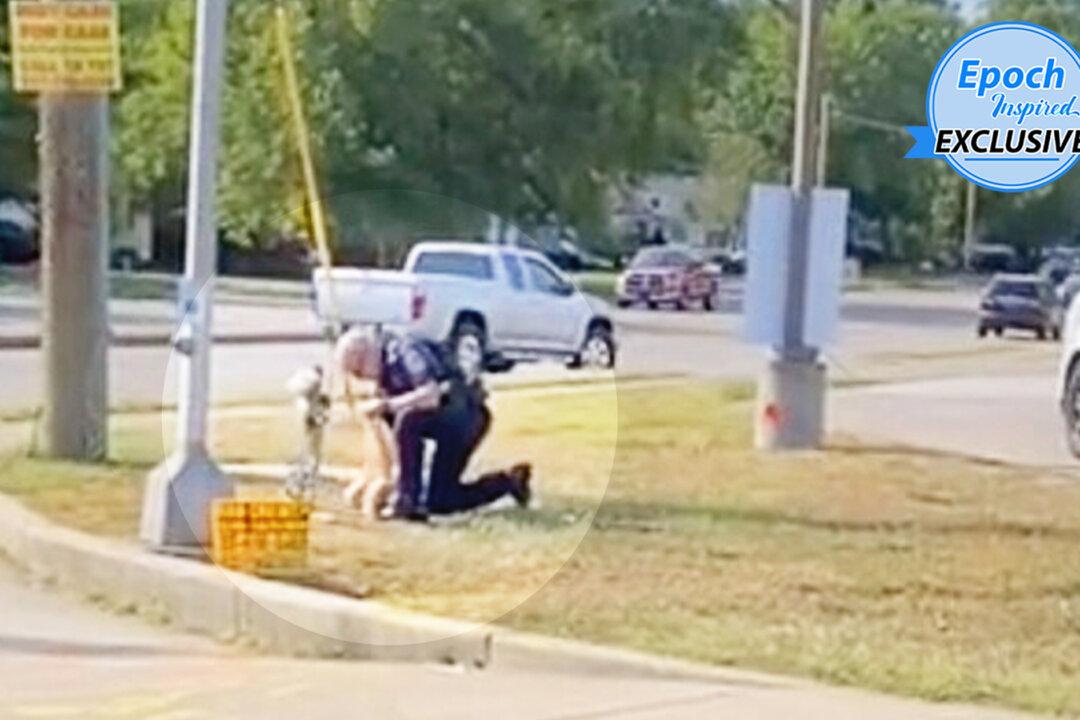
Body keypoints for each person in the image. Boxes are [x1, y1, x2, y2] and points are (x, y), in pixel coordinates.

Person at [336, 327, 531, 521]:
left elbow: (431, 395)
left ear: (367, 354)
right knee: (440, 501)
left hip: (464, 415)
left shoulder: (405, 351)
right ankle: (508, 482)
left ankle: (408, 501)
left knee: (406, 417)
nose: (361, 377)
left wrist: (387, 404)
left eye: (358, 370)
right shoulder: (384, 372)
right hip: (446, 418)